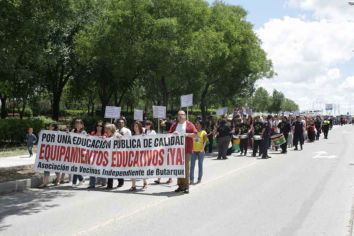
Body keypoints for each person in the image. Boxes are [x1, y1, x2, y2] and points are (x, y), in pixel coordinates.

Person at [169, 110, 197, 194]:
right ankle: (180, 186)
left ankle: (186, 186)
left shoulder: (189, 124)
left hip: (187, 149)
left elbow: (195, 134)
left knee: (185, 168)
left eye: (182, 114)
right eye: (179, 115)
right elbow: (169, 134)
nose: (180, 116)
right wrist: (173, 134)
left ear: (185, 116)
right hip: (177, 150)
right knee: (178, 168)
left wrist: (187, 134)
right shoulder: (174, 125)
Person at [88, 121, 107, 189]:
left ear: (103, 127)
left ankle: (103, 180)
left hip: (102, 155)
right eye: (98, 125)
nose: (99, 127)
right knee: (92, 168)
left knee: (102, 168)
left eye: (100, 126)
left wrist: (105, 138)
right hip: (93, 154)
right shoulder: (92, 133)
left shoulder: (105, 134)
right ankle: (92, 184)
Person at [113, 118, 132, 187]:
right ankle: (120, 180)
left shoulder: (127, 131)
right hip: (116, 151)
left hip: (124, 150)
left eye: (122, 122)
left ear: (124, 123)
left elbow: (130, 140)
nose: (120, 124)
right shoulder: (115, 131)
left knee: (122, 166)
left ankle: (122, 179)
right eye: (119, 123)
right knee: (117, 166)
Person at [130, 121, 148, 191]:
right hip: (133, 155)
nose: (135, 128)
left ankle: (145, 183)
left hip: (142, 155)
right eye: (134, 126)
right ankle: (133, 185)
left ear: (140, 127)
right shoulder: (132, 136)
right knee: (132, 170)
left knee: (142, 169)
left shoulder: (143, 135)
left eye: (137, 126)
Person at [38, 123, 58, 188]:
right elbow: (40, 137)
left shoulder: (57, 134)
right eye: (49, 125)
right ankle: (45, 182)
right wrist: (41, 132)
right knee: (46, 167)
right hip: (47, 153)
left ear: (54, 127)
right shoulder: (45, 132)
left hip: (53, 153)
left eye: (51, 126)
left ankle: (58, 180)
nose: (50, 127)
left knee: (55, 166)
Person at [190, 120, 207, 184]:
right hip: (193, 151)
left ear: (201, 125)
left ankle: (199, 178)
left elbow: (205, 141)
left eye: (197, 123)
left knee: (200, 165)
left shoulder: (204, 132)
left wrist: (203, 148)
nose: (196, 124)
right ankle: (191, 179)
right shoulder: (193, 132)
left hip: (200, 151)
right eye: (196, 123)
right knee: (192, 165)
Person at [72, 119, 87, 186]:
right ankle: (81, 179)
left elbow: (85, 142)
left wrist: (84, 153)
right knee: (75, 166)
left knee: (76, 166)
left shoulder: (84, 132)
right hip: (73, 151)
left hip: (81, 152)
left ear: (82, 125)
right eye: (76, 123)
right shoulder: (72, 131)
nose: (77, 124)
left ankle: (74, 182)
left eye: (79, 123)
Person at [105, 123, 119, 190]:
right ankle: (109, 185)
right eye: (106, 129)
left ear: (112, 129)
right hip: (108, 156)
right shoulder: (105, 136)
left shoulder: (116, 135)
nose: (106, 130)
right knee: (110, 170)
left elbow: (124, 140)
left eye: (108, 129)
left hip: (116, 155)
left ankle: (120, 181)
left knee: (116, 170)